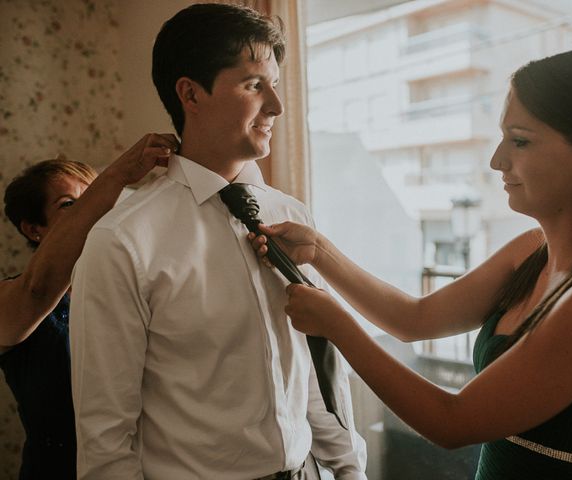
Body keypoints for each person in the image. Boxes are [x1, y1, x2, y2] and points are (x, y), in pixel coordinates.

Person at [250, 43, 572, 479]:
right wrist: (319, 252)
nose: (497, 160)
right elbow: (415, 319)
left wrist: (337, 325)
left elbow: (453, 422)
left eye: (520, 141)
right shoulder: (531, 251)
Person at [69, 4, 366, 480]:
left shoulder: (290, 216)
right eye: (254, 85)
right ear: (190, 93)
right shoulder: (122, 241)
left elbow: (308, 371)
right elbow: (106, 440)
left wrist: (349, 468)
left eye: (275, 84)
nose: (277, 105)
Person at [0, 133, 178, 480]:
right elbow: (39, 288)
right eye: (70, 204)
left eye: (94, 196)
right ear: (34, 229)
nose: (96, 210)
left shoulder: (130, 288)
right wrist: (115, 176)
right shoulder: (13, 299)